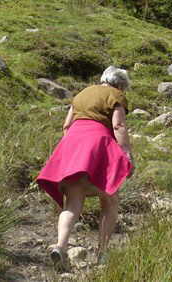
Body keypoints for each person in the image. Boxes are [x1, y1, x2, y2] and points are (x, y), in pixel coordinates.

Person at [36, 66, 134, 270]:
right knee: (109, 199)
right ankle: (102, 253)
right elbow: (118, 126)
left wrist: (72, 153)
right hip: (98, 146)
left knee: (72, 203)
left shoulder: (82, 94)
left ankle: (60, 246)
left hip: (74, 145)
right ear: (120, 85)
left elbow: (66, 126)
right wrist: (126, 153)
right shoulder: (115, 95)